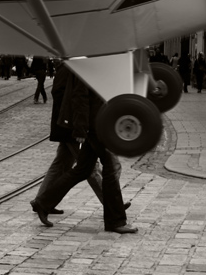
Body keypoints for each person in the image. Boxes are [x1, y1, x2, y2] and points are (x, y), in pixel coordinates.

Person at [29, 62, 137, 234]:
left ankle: (43, 203)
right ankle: (116, 221)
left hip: (98, 119)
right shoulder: (85, 60)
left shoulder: (96, 58)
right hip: (94, 124)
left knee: (82, 169)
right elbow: (79, 95)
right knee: (109, 167)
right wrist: (80, 127)